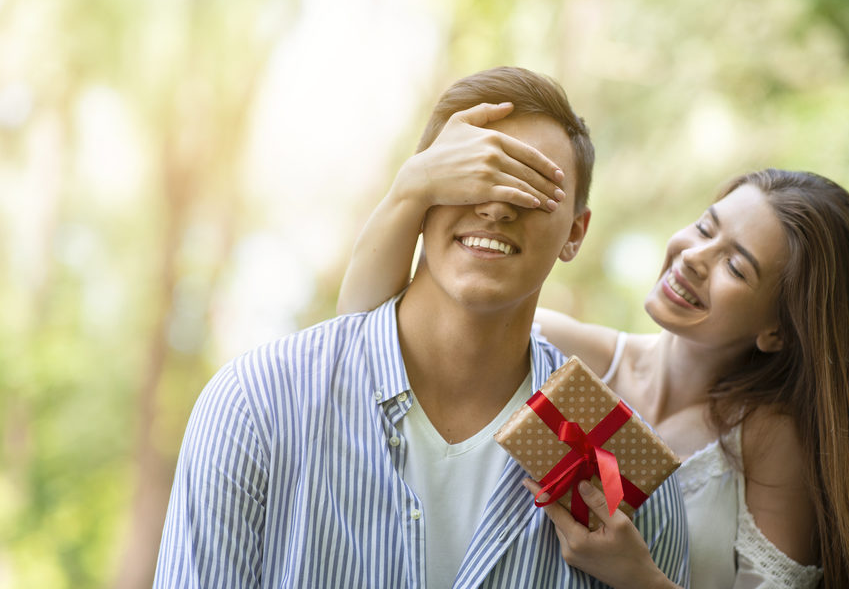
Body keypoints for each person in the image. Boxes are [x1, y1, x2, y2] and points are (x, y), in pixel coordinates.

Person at [154, 66, 690, 589]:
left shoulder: (621, 466)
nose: (498, 205)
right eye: (475, 173)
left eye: (534, 186)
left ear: (575, 233)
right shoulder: (259, 403)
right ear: (423, 193)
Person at [338, 156, 849, 586]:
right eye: (706, 228)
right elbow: (368, 333)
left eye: (737, 266)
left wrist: (639, 578)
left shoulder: (766, 440)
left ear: (777, 330)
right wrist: (410, 188)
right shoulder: (566, 353)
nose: (695, 258)